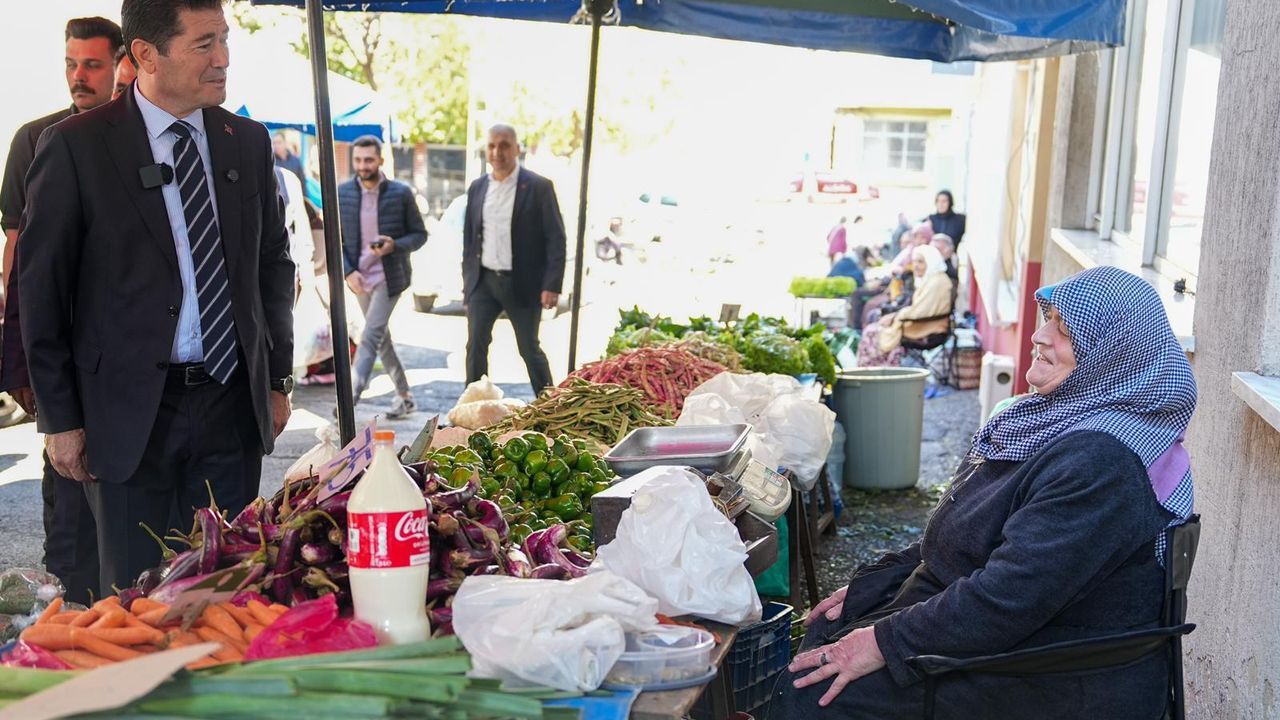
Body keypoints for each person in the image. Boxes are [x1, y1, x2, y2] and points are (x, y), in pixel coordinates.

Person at [770, 266, 1196, 719]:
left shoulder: (1102, 461)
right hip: (1011, 632)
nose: (1040, 335)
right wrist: (892, 576)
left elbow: (1007, 600)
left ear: (1114, 353)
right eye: (1048, 317)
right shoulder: (1062, 416)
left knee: (808, 696)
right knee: (827, 633)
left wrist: (883, 641)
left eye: (1066, 330)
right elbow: (984, 533)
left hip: (1055, 673)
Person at [18, 0, 296, 596]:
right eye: (203, 44)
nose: (223, 59)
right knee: (137, 603)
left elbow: (273, 266)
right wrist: (59, 418)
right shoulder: (74, 147)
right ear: (145, 54)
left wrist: (277, 380)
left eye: (224, 40)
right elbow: (40, 292)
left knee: (227, 592)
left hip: (229, 410)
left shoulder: (245, 142)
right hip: (124, 420)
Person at [0, 16, 123, 605]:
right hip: (65, 361)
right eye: (71, 64)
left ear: (126, 61)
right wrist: (21, 366)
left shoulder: (150, 135)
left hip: (132, 360)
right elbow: (21, 264)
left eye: (92, 64)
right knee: (69, 509)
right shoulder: (36, 138)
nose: (79, 76)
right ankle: (73, 617)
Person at [463, 124, 566, 396]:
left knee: (528, 348)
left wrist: (552, 284)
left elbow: (556, 238)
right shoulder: (477, 188)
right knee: (475, 346)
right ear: (486, 150)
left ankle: (550, 405)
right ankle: (471, 408)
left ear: (517, 149)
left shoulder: (538, 187)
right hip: (483, 281)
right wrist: (468, 287)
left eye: (505, 145)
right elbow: (469, 240)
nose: (498, 152)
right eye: (492, 145)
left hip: (523, 281)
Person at [338, 135, 427, 418]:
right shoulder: (342, 194)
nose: (363, 166)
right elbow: (333, 241)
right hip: (359, 278)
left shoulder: (401, 193)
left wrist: (394, 245)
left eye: (369, 160)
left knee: (370, 335)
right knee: (381, 338)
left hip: (390, 276)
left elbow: (420, 235)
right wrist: (348, 271)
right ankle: (405, 396)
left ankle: (348, 399)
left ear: (381, 160)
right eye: (358, 160)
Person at [857, 245, 953, 367]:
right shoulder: (933, 279)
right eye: (914, 262)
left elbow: (920, 312)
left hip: (928, 329)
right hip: (920, 323)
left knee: (871, 332)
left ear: (931, 261)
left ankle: (876, 372)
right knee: (874, 325)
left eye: (921, 262)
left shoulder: (936, 282)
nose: (916, 266)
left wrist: (894, 318)